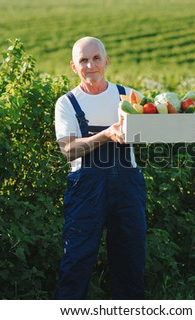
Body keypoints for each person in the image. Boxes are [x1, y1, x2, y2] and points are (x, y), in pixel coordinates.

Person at [54, 36, 147, 300]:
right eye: (83, 60)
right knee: (77, 259)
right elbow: (68, 149)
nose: (90, 65)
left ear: (106, 60)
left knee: (130, 261)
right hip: (86, 189)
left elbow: (152, 129)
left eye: (96, 58)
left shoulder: (129, 96)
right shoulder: (67, 103)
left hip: (128, 188)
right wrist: (106, 134)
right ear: (74, 66)